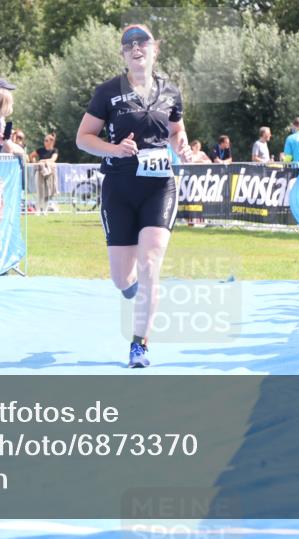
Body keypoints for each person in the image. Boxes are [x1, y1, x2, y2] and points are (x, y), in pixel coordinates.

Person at [75, 24, 192, 368]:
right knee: (121, 277)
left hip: (159, 186)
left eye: (142, 42)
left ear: (155, 49)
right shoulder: (108, 92)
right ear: (123, 54)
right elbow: (83, 138)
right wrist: (114, 148)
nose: (136, 47)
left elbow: (176, 129)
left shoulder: (170, 91)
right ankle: (134, 291)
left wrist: (181, 144)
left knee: (151, 263)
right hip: (119, 187)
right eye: (129, 44)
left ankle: (139, 344)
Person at [30, 133, 59, 214]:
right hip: (40, 172)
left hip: (49, 172)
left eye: (46, 140)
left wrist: (43, 161)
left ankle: (45, 210)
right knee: (40, 191)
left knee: (48, 191)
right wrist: (35, 163)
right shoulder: (40, 150)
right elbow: (31, 155)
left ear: (51, 142)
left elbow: (53, 159)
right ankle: (38, 210)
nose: (44, 142)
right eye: (44, 140)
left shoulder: (54, 150)